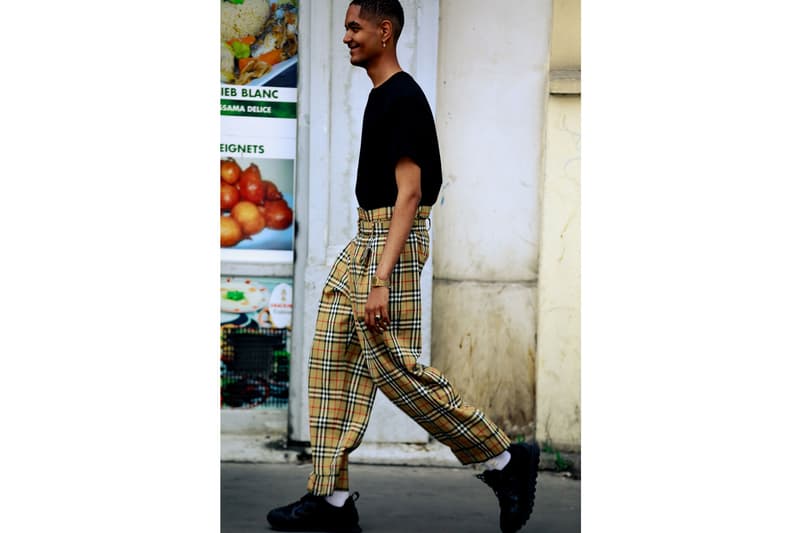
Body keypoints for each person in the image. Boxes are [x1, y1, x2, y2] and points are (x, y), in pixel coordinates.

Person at [266, 1, 539, 532]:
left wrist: (382, 280)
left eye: (354, 27)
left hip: (391, 243)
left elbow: (410, 195)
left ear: (384, 30)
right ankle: (331, 499)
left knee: (398, 372)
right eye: (346, 27)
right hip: (366, 237)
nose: (346, 36)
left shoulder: (404, 98)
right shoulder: (381, 96)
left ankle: (506, 460)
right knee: (331, 358)